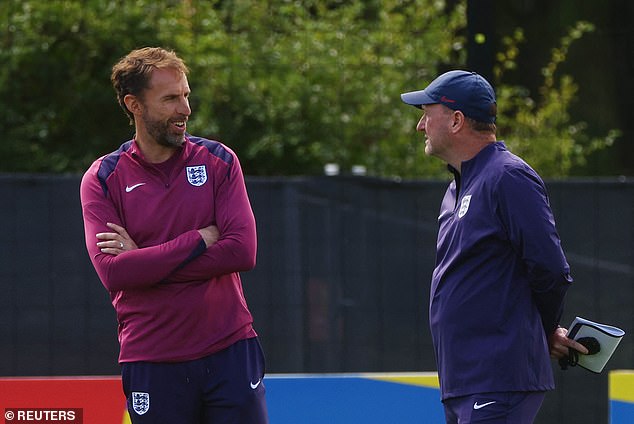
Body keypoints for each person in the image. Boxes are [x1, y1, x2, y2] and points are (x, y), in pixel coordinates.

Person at [80, 47, 268, 424]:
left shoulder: (219, 161)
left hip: (229, 349)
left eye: (185, 95)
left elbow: (242, 252)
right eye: (170, 99)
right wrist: (198, 239)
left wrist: (144, 260)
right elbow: (115, 274)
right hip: (152, 359)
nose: (185, 108)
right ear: (134, 104)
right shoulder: (102, 178)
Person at [400, 70, 588, 424]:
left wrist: (545, 329)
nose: (420, 126)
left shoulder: (507, 176)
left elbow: (551, 269)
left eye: (426, 114)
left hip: (497, 378)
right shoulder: (456, 189)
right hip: (463, 382)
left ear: (456, 120)